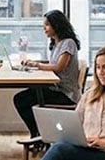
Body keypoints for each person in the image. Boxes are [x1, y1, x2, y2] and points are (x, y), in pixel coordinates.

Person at [13, 9, 83, 140]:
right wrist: (34, 63)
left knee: (21, 100)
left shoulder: (68, 43)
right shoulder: (56, 44)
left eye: (47, 25)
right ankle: (38, 134)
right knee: (23, 97)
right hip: (56, 89)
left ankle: (38, 135)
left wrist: (37, 65)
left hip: (65, 94)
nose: (44, 28)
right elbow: (53, 64)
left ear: (56, 25)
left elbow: (59, 67)